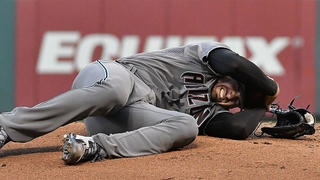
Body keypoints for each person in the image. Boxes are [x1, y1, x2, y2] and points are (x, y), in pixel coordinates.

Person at [0, 42, 279, 165]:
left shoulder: (212, 114)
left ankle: (94, 148)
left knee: (186, 126)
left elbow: (238, 129)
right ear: (233, 77)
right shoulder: (208, 56)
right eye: (236, 89)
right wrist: (270, 88)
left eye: (237, 101)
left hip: (119, 118)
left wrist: (259, 107)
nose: (231, 97)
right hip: (116, 77)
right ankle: (6, 126)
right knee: (113, 92)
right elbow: (232, 62)